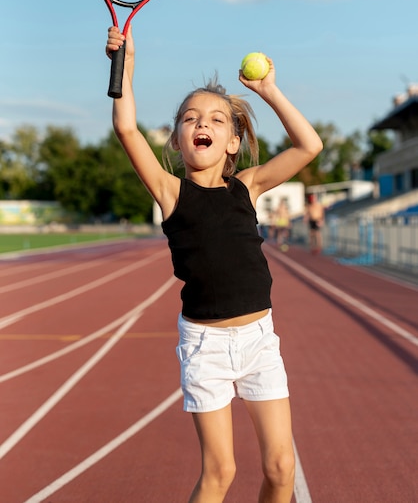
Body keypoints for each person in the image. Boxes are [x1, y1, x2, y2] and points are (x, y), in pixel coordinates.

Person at [106, 25, 323, 503]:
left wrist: (268, 90)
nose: (202, 123)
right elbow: (125, 127)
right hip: (205, 344)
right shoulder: (169, 192)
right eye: (190, 117)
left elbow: (310, 146)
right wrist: (125, 64)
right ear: (179, 140)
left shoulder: (248, 186)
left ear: (232, 143)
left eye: (217, 119)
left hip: (259, 339)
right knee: (220, 472)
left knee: (281, 467)